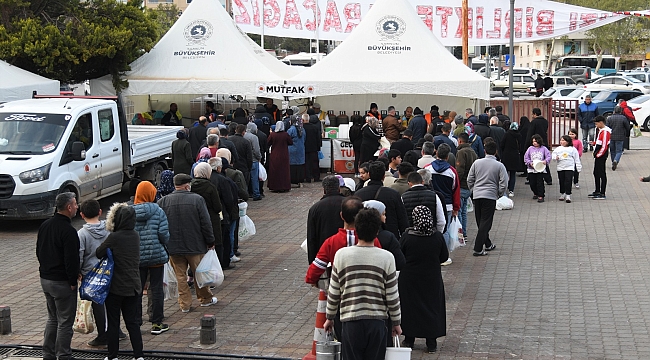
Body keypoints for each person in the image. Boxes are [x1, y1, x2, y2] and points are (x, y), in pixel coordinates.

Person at [323, 208, 402, 360]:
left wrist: (329, 317)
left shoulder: (341, 255)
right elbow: (392, 295)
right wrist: (396, 322)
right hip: (377, 322)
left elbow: (334, 292)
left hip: (350, 322)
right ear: (377, 231)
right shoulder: (387, 258)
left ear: (356, 230)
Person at [157, 174, 218, 312]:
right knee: (199, 273)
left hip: (173, 246)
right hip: (195, 245)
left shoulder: (163, 202)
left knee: (180, 276)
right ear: (186, 186)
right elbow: (205, 222)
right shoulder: (197, 200)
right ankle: (205, 299)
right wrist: (210, 240)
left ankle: (184, 304)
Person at [95, 203, 144, 360]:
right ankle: (139, 355)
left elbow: (98, 252)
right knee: (133, 323)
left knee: (114, 323)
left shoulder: (115, 237)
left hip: (116, 288)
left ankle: (112, 356)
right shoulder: (135, 235)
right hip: (134, 286)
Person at [398, 205, 448, 353]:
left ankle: (409, 339)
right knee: (432, 307)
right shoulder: (437, 236)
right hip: (431, 278)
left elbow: (400, 256)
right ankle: (431, 341)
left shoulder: (407, 236)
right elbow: (444, 257)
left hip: (410, 279)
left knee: (410, 307)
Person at [78, 200, 127, 347]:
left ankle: (103, 335)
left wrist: (78, 271)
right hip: (109, 271)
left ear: (82, 215)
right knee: (112, 302)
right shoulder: (108, 229)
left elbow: (80, 254)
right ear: (100, 212)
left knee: (97, 305)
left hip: (90, 273)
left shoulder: (82, 234)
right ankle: (116, 330)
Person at [37, 192, 79, 360]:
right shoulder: (68, 231)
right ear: (69, 207)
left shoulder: (45, 225)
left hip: (45, 279)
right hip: (61, 282)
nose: (77, 206)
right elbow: (71, 260)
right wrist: (72, 280)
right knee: (65, 321)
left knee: (53, 318)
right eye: (75, 204)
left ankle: (48, 353)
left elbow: (38, 251)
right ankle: (64, 354)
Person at [132, 181, 170, 335]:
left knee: (137, 291)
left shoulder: (129, 212)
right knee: (156, 289)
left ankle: (135, 322)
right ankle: (156, 322)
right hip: (156, 257)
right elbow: (164, 235)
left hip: (136, 258)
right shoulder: (158, 211)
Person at [467, 141, 508, 256]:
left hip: (477, 195)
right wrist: (499, 193)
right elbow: (504, 182)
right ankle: (478, 248)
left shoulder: (477, 163)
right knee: (486, 222)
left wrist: (473, 190)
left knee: (480, 221)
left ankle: (488, 244)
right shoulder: (499, 165)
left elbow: (470, 179)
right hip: (490, 196)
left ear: (484, 151)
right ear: (496, 152)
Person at [355, 161, 409, 239]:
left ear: (369, 174)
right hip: (390, 236)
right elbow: (402, 219)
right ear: (383, 176)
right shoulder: (393, 194)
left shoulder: (358, 194)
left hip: (365, 237)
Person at [426, 143, 460, 264]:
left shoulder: (427, 168)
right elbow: (455, 190)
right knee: (444, 230)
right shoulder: (452, 172)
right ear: (448, 157)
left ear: (436, 153)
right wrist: (456, 207)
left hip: (430, 202)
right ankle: (443, 256)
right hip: (447, 204)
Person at [208, 157, 240, 267]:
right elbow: (229, 199)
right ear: (218, 168)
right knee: (223, 240)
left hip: (208, 215)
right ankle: (224, 263)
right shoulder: (222, 180)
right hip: (222, 214)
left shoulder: (206, 178)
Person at [306, 176, 345, 264]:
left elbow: (311, 237)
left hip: (324, 254)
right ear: (339, 188)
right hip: (346, 251)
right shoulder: (349, 204)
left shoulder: (315, 208)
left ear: (324, 190)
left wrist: (313, 261)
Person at [191, 163, 223, 261]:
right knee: (215, 243)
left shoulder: (191, 186)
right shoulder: (210, 187)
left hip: (195, 218)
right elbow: (217, 207)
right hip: (211, 218)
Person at [455, 132, 478, 240]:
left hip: (462, 185)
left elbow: (460, 170)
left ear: (460, 141)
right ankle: (464, 233)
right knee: (464, 211)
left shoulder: (461, 152)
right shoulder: (473, 152)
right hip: (469, 186)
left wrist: (456, 183)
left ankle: (460, 234)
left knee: (459, 211)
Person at [552, 135, 582, 203]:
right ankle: (562, 193)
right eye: (561, 140)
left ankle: (568, 194)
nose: (561, 142)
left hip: (570, 167)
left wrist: (578, 167)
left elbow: (577, 159)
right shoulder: (558, 149)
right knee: (561, 181)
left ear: (568, 142)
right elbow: (553, 155)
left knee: (568, 180)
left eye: (563, 140)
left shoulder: (572, 149)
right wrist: (555, 158)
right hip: (560, 167)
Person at [526, 108, 552, 185]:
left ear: (534, 114)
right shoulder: (545, 121)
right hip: (544, 142)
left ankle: (531, 178)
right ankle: (548, 179)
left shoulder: (534, 122)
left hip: (535, 143)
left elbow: (530, 133)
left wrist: (528, 143)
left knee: (534, 160)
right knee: (544, 161)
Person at [524, 134, 552, 203]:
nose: (534, 143)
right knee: (532, 183)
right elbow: (526, 157)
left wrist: (545, 161)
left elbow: (548, 156)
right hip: (531, 169)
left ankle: (541, 195)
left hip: (540, 169)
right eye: (533, 141)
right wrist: (530, 163)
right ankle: (535, 192)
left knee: (540, 182)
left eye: (536, 141)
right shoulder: (530, 149)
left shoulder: (543, 148)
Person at [267, 121, 293, 192]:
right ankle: (284, 186)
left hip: (274, 154)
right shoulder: (285, 134)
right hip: (284, 154)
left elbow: (268, 142)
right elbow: (290, 142)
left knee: (275, 170)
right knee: (284, 171)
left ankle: (275, 186)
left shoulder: (273, 135)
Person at [589, 116, 611, 200]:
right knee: (596, 172)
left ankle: (602, 193)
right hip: (599, 154)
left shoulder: (605, 132)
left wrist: (598, 155)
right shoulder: (602, 131)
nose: (596, 125)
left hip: (601, 155)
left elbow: (604, 145)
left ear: (601, 122)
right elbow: (601, 142)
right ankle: (597, 190)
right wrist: (594, 143)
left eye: (596, 123)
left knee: (601, 173)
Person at [229, 124, 253, 192]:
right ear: (243, 132)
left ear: (235, 130)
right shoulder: (246, 142)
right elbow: (249, 157)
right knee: (243, 184)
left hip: (232, 166)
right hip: (243, 166)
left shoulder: (229, 140)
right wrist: (249, 167)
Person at [500, 122, 522, 197]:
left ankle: (504, 188)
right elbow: (520, 145)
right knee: (513, 174)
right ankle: (511, 190)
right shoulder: (519, 135)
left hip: (506, 155)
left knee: (505, 173)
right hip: (515, 156)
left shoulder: (507, 134)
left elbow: (502, 144)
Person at [606, 106, 630, 171]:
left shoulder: (610, 118)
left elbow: (607, 128)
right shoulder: (623, 118)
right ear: (621, 111)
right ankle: (616, 160)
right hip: (620, 136)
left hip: (611, 136)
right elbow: (627, 127)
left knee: (612, 150)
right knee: (619, 151)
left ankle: (613, 161)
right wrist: (627, 134)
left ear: (614, 111)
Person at [304, 112, 322, 182]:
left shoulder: (302, 128)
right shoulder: (315, 127)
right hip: (314, 148)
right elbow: (318, 138)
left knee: (306, 163)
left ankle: (308, 177)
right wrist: (318, 147)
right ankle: (316, 177)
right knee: (315, 163)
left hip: (305, 148)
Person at [287, 116, 305, 187]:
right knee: (300, 166)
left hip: (291, 150)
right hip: (300, 150)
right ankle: (300, 181)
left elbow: (287, 139)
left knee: (292, 166)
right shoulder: (302, 129)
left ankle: (292, 181)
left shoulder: (291, 129)